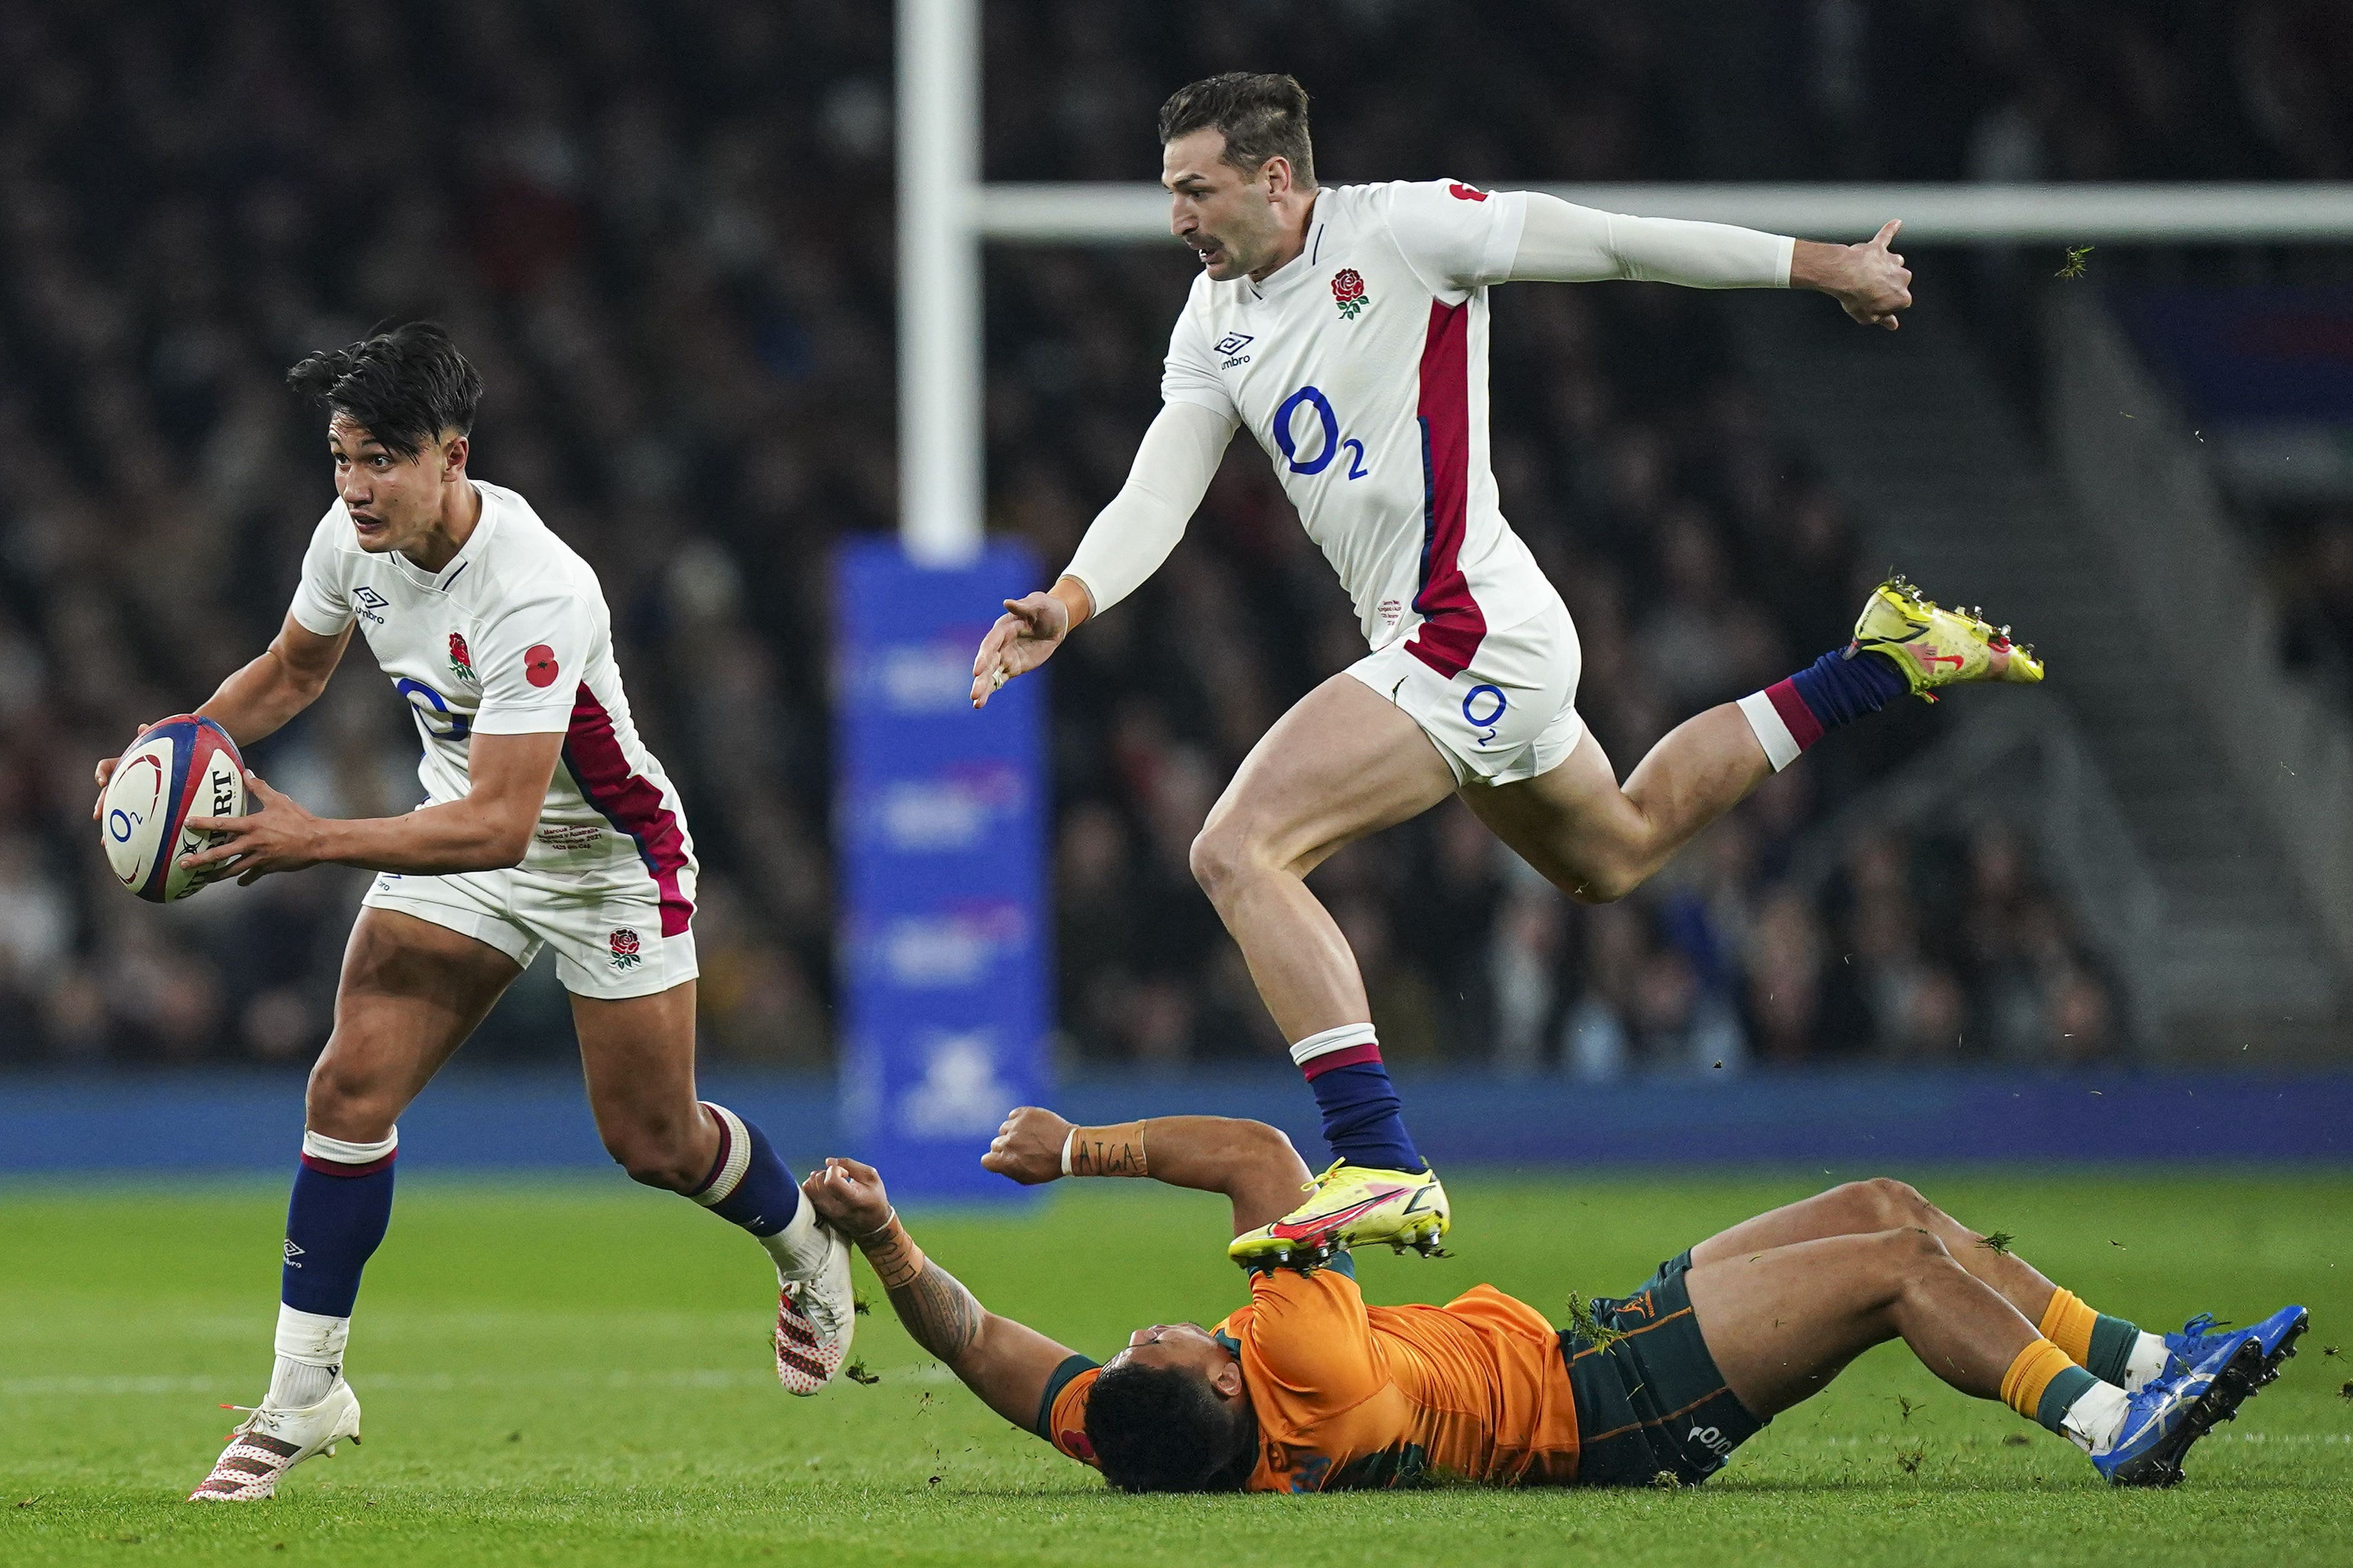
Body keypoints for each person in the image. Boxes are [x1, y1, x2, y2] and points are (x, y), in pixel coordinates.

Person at [967, 73, 2044, 1263]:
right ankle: (1877, 663)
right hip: (1451, 637)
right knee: (1618, 851)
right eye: (1170, 191)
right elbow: (1160, 484)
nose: (1176, 218)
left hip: (1467, 627)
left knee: (1235, 848)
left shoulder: (1406, 228)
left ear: (1276, 178)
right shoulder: (1211, 316)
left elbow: (1619, 245)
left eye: (1194, 190)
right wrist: (1071, 600)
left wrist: (1822, 266)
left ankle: (1377, 1156)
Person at [90, 323, 856, 1503]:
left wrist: (314, 839)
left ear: (453, 455)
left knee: (652, 1141)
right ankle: (303, 1394)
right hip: (458, 835)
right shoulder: (354, 538)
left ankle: (801, 1238)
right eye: (341, 457)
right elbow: (293, 672)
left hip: (604, 857)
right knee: (348, 1088)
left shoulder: (535, 585)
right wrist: (176, 744)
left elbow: (507, 822)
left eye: (380, 460)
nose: (354, 486)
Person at [803, 1105, 2306, 1494]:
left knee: (1883, 1205)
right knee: (1904, 1265)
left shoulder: (1148, 1435)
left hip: (1600, 1358)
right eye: (1164, 1340)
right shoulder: (1305, 1357)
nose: (1149, 1328)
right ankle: (2115, 1412)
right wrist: (1080, 1150)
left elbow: (991, 1353)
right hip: (1624, 1397)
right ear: (1216, 1379)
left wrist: (886, 1246)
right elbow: (1264, 1155)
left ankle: (2156, 1352)